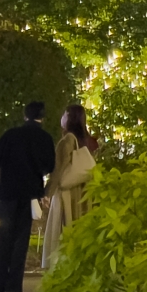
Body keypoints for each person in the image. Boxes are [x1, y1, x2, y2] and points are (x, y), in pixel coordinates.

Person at [0, 101, 56, 292]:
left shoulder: (10, 135)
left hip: (8, 190)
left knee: (2, 237)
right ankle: (13, 287)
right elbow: (49, 166)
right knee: (20, 239)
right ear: (42, 117)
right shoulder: (44, 138)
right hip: (30, 193)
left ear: (25, 115)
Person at [40, 104, 99, 270]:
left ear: (69, 118)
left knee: (64, 230)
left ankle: (63, 268)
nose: (62, 118)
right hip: (85, 192)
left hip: (67, 192)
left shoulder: (67, 140)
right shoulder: (88, 141)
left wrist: (47, 193)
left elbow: (58, 169)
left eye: (64, 114)